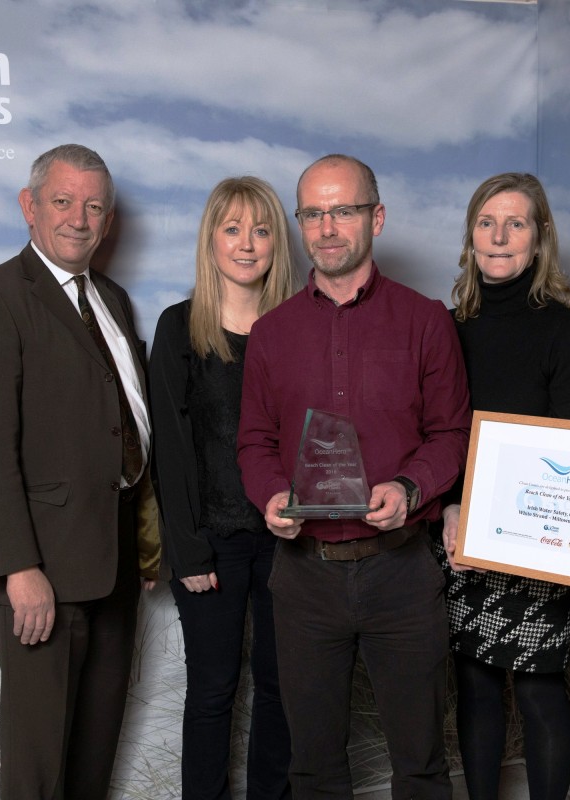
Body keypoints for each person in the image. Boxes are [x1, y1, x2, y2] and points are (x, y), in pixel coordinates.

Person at [237, 154, 471, 798]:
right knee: (312, 766)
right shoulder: (271, 333)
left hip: (402, 572)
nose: (328, 226)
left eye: (344, 209)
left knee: (420, 762)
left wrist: (412, 489)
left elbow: (452, 435)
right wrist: (270, 494)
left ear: (378, 217)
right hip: (304, 578)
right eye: (313, 213)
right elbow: (254, 443)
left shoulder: (427, 321)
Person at [0, 143, 160, 800]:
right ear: (29, 207)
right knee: (39, 769)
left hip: (116, 564)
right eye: (63, 201)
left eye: (95, 206)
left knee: (94, 756)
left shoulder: (114, 300)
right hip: (41, 573)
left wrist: (148, 546)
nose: (79, 217)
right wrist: (19, 568)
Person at [439, 173, 570, 800]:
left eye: (516, 223)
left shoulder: (567, 332)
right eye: (487, 222)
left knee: (538, 687)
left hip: (540, 540)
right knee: (474, 682)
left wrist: (532, 527)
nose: (500, 235)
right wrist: (451, 509)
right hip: (459, 532)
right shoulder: (446, 328)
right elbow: (435, 433)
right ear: (471, 238)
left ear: (539, 241)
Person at [149, 176, 297, 800]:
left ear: (276, 244)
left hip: (288, 540)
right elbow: (170, 452)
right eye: (232, 229)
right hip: (210, 541)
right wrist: (187, 551)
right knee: (212, 692)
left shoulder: (299, 327)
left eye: (261, 230)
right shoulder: (180, 326)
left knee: (281, 688)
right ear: (211, 239)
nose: (246, 244)